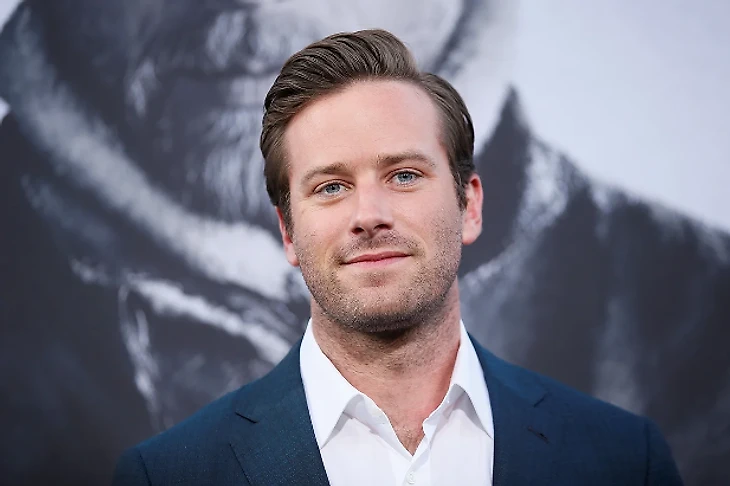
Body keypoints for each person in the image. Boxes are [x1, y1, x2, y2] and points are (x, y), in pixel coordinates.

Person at [112, 29, 683, 486]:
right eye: (331, 186)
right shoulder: (168, 476)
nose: (369, 214)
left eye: (404, 175)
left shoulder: (624, 460)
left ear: (469, 205)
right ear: (287, 231)